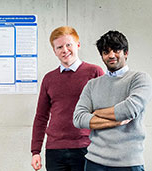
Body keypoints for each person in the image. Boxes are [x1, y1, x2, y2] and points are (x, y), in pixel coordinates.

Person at [73, 30, 152, 171]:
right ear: (102, 56)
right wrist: (116, 120)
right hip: (94, 162)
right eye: (106, 52)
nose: (111, 55)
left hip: (128, 163)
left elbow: (128, 110)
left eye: (116, 50)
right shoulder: (92, 85)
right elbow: (78, 118)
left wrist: (96, 112)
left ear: (126, 53)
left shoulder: (140, 79)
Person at [31, 26, 104, 171]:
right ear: (54, 51)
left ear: (78, 45)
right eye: (59, 47)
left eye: (68, 44)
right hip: (54, 150)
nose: (64, 50)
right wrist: (35, 151)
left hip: (86, 147)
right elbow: (41, 117)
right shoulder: (49, 78)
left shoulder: (94, 72)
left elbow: (104, 110)